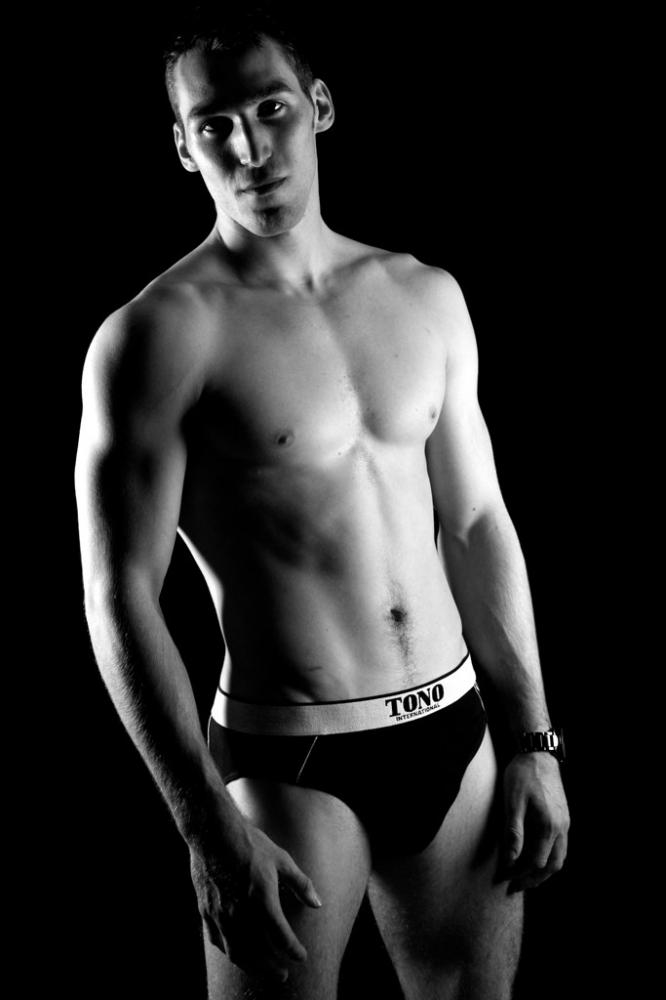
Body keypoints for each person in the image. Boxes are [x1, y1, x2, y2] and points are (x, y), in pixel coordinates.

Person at [75, 5, 570, 998]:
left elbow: (478, 524)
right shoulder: (157, 336)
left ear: (321, 107)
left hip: (454, 727)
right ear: (183, 147)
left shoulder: (423, 294)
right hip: (289, 758)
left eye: (272, 110)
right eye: (214, 124)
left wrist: (532, 740)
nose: (250, 148)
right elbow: (118, 592)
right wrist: (205, 822)